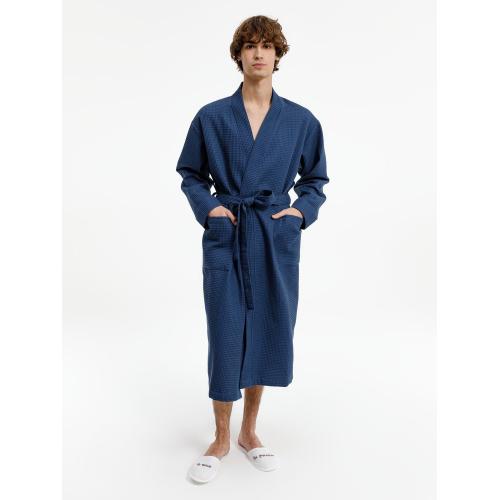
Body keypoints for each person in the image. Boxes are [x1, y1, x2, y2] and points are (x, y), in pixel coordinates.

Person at [176, 15, 329, 483]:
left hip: (272, 234)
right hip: (229, 232)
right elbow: (190, 174)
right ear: (238, 54)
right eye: (250, 45)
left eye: (267, 45)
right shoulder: (211, 116)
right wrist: (211, 210)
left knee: (265, 326)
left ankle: (249, 432)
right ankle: (221, 437)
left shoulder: (301, 120)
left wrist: (299, 213)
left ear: (278, 55)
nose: (258, 53)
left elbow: (315, 180)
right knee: (225, 330)